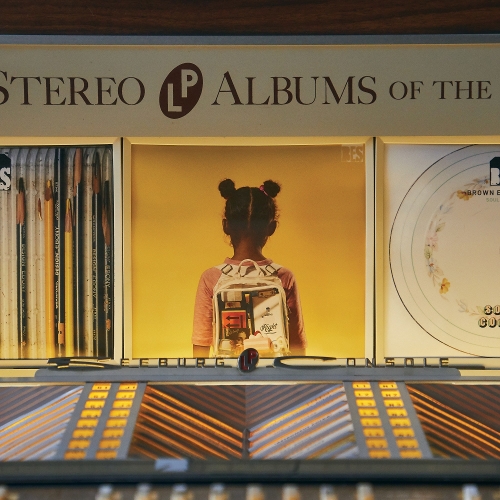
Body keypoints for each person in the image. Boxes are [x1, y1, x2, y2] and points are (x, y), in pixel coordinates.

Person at [192, 178, 307, 357]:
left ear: (225, 226)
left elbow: (200, 351)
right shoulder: (284, 277)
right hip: (274, 373)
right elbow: (297, 349)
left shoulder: (211, 278)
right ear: (272, 227)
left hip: (227, 373)